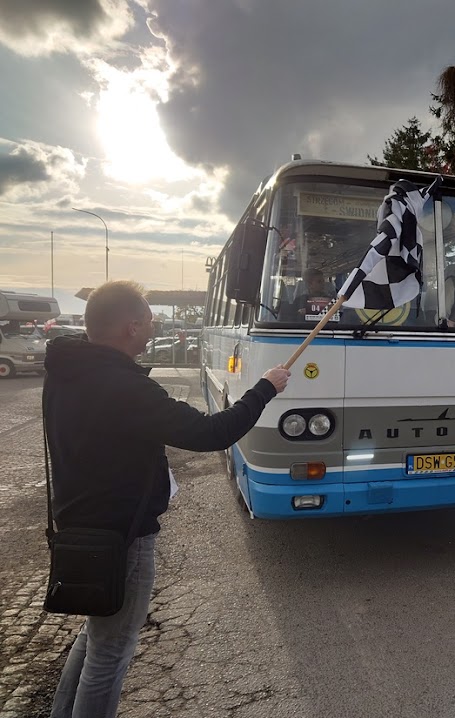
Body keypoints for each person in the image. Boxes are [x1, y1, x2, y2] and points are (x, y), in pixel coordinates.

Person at [44, 280, 291, 718]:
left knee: (98, 634)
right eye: (150, 322)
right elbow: (211, 433)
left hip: (80, 525)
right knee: (110, 654)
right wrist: (266, 388)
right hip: (122, 535)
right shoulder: (122, 386)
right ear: (130, 327)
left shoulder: (67, 371)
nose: (153, 328)